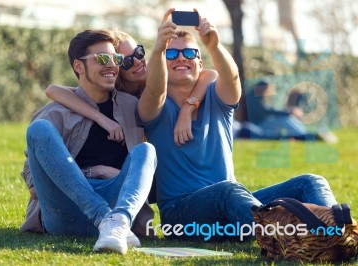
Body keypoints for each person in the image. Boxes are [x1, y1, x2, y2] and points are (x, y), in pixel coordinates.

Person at [136, 8, 337, 241]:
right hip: (180, 216)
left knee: (311, 182)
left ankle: (336, 232)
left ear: (200, 63)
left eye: (189, 53)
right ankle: (283, 237)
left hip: (231, 202)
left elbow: (230, 77)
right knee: (227, 190)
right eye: (172, 55)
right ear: (163, 62)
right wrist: (159, 47)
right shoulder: (153, 108)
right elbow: (155, 87)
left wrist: (214, 45)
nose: (181, 58)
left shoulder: (217, 99)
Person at [21, 29, 157, 254]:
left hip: (117, 204)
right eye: (102, 59)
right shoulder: (54, 113)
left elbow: (163, 91)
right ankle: (107, 220)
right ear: (78, 66)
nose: (111, 65)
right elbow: (35, 188)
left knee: (146, 151)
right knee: (39, 129)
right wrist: (94, 171)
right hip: (64, 211)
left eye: (116, 59)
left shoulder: (132, 107)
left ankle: (118, 221)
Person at [45, 29, 218, 147]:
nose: (137, 61)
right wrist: (100, 118)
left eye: (139, 52)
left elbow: (210, 74)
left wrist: (187, 109)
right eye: (126, 61)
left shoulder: (154, 72)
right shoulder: (115, 96)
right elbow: (53, 90)